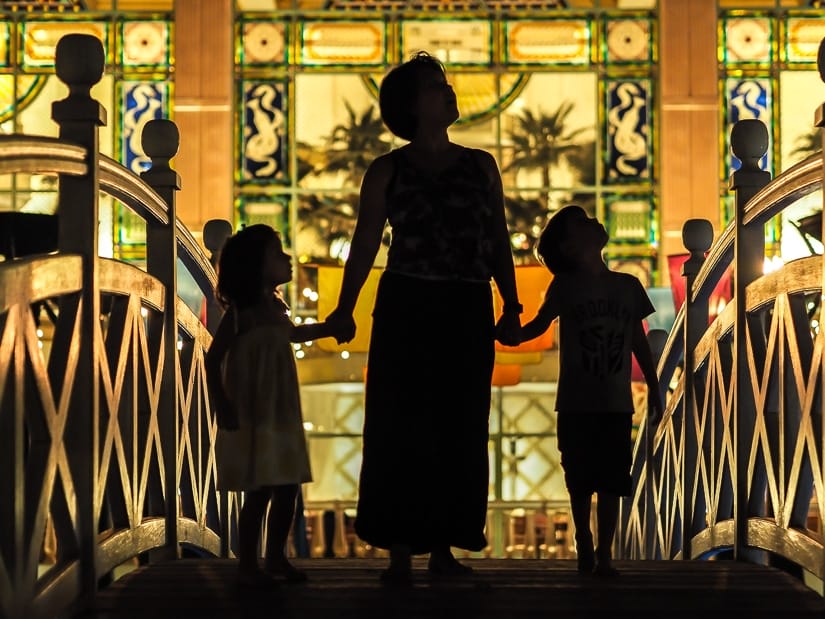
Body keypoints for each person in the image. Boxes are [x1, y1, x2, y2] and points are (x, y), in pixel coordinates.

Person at [325, 51, 522, 585]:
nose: (449, 90)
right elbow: (366, 243)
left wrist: (511, 299)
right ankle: (400, 548)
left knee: (459, 424)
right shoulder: (388, 169)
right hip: (407, 304)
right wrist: (345, 305)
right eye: (437, 85)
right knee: (398, 424)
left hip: (465, 304)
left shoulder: (480, 164)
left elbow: (496, 238)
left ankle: (441, 545)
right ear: (413, 105)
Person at [519, 205, 663, 578]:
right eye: (581, 222)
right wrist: (506, 335)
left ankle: (603, 554)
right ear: (569, 247)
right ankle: (586, 546)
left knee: (612, 481)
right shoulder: (566, 286)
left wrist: (654, 384)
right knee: (581, 480)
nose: (594, 220)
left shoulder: (628, 285)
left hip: (614, 403)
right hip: (578, 402)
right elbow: (538, 324)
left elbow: (637, 339)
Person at [205, 223, 337, 587]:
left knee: (288, 487)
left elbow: (294, 334)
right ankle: (250, 562)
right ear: (256, 265)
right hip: (255, 411)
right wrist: (222, 403)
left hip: (280, 410)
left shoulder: (275, 308)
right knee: (261, 490)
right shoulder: (241, 314)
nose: (288, 259)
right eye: (278, 254)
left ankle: (276, 556)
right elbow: (212, 360)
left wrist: (329, 328)